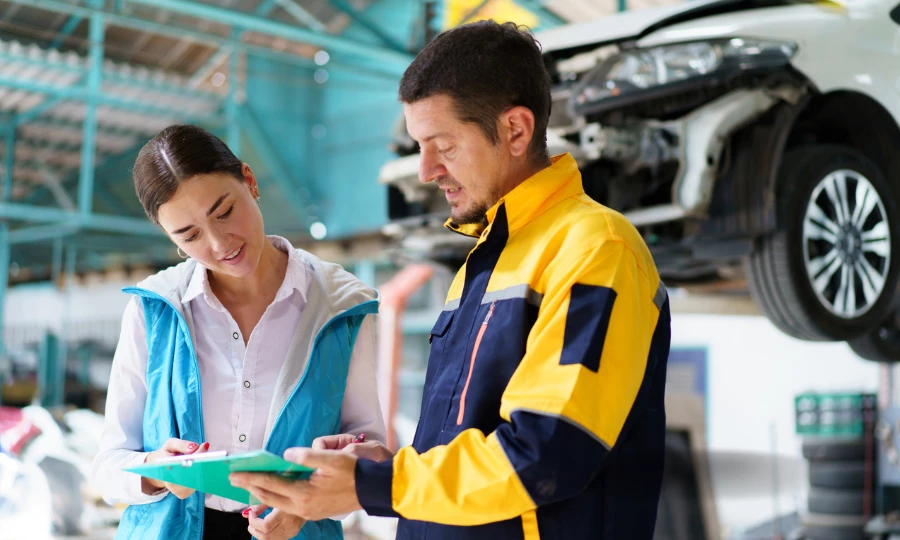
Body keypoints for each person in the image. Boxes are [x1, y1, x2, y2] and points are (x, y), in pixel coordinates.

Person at [231, 20, 672, 540]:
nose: (425, 170)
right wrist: (383, 466)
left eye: (442, 144)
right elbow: (472, 449)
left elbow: (545, 454)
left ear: (515, 130)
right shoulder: (483, 263)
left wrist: (377, 486)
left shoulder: (595, 249)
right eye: (419, 145)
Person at [91, 125, 385, 540]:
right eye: (189, 235)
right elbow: (107, 465)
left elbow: (368, 454)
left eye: (224, 212)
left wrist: (306, 503)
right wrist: (156, 471)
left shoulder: (341, 306)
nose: (218, 243)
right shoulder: (152, 310)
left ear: (249, 180)